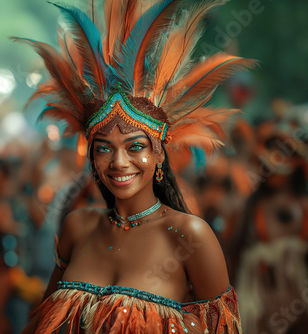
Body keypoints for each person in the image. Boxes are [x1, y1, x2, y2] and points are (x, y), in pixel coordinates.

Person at [13, 0, 256, 332]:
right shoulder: (77, 227)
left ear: (159, 154)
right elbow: (41, 324)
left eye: (135, 146)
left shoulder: (190, 236)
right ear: (91, 157)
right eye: (104, 149)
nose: (119, 162)